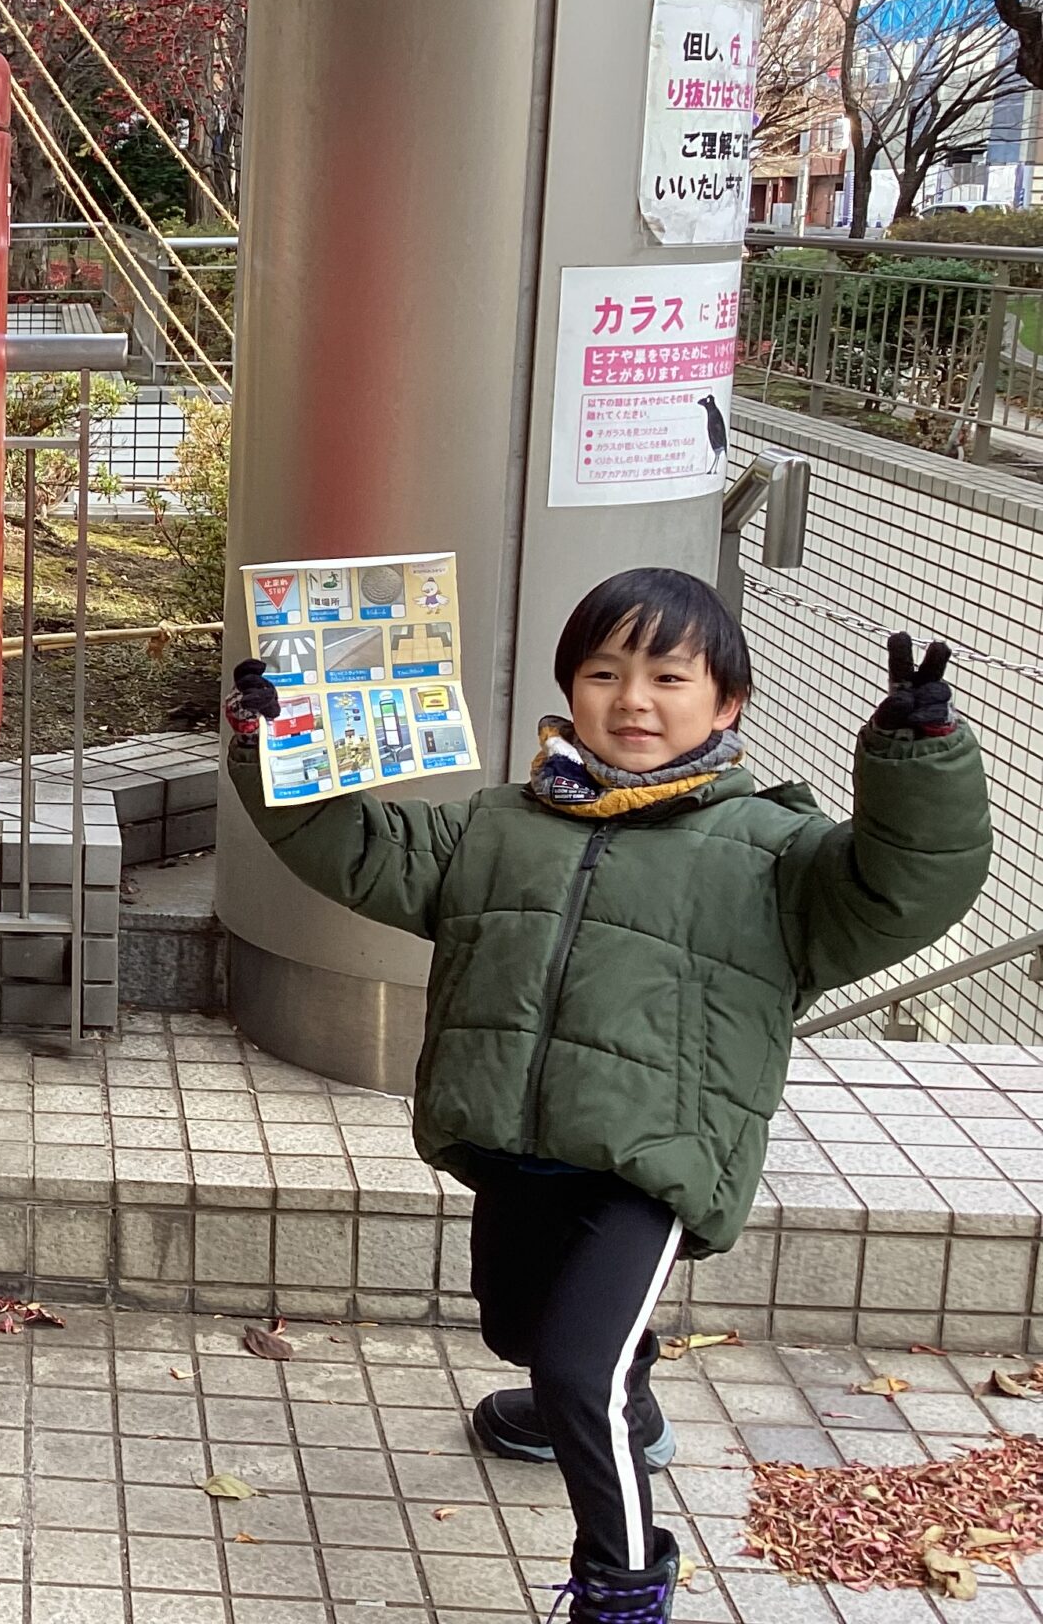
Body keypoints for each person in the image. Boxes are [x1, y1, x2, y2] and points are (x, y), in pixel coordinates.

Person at [224, 568, 989, 1623]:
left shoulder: (780, 860)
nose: (633, 700)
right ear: (569, 688)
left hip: (653, 1165)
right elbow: (350, 847)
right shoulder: (497, 825)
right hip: (516, 1145)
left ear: (726, 703)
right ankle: (598, 1403)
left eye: (669, 677)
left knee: (579, 1368)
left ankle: (624, 1586)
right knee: (527, 1337)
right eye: (603, 673)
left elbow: (905, 884)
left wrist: (917, 755)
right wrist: (276, 743)